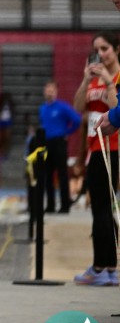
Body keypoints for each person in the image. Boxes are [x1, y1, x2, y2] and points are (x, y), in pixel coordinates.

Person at [76, 29, 120, 287]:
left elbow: (117, 109)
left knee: (103, 208)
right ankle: (106, 267)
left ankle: (104, 267)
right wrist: (85, 81)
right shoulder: (93, 79)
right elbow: (78, 108)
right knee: (100, 208)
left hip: (113, 148)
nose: (100, 54)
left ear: (116, 49)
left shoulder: (116, 76)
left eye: (105, 49)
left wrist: (109, 83)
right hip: (95, 147)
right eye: (97, 50)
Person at [38, 80, 81, 214]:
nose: (50, 92)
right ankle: (50, 205)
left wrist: (66, 132)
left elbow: (77, 120)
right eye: (48, 90)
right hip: (46, 143)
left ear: (56, 92)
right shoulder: (42, 108)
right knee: (47, 175)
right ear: (44, 92)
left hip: (59, 142)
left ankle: (65, 205)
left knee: (62, 174)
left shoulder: (63, 107)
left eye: (52, 90)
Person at [0, 91, 14, 158]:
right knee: (2, 138)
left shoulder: (10, 105)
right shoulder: (0, 105)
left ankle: (6, 152)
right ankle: (2, 152)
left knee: (7, 138)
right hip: (1, 122)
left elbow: (12, 113)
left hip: (8, 122)